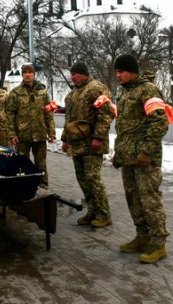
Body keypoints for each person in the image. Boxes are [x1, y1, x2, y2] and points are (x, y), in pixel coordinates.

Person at [112, 54, 170, 264]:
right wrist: (119, 154)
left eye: (122, 71)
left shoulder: (148, 90)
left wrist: (146, 151)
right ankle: (143, 236)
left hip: (145, 160)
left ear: (133, 71)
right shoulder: (126, 92)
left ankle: (158, 244)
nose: (118, 75)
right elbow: (124, 129)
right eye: (117, 72)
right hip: (129, 158)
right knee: (134, 200)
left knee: (150, 201)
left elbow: (159, 123)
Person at [61, 62, 115, 229]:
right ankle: (92, 210)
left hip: (92, 143)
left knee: (93, 178)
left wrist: (99, 137)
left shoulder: (96, 88)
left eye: (74, 74)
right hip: (77, 145)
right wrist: (64, 139)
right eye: (71, 74)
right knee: (83, 179)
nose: (72, 77)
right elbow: (68, 120)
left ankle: (104, 214)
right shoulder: (72, 95)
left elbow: (106, 114)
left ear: (83, 74)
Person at [6, 64, 56, 189]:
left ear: (34, 74)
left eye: (30, 72)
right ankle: (24, 188)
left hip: (39, 135)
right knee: (22, 164)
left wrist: (51, 132)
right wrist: (12, 134)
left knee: (41, 165)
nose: (28, 74)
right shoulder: (15, 93)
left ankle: (43, 188)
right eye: (25, 72)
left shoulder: (42, 92)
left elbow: (48, 113)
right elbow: (9, 115)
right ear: (22, 75)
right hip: (22, 136)